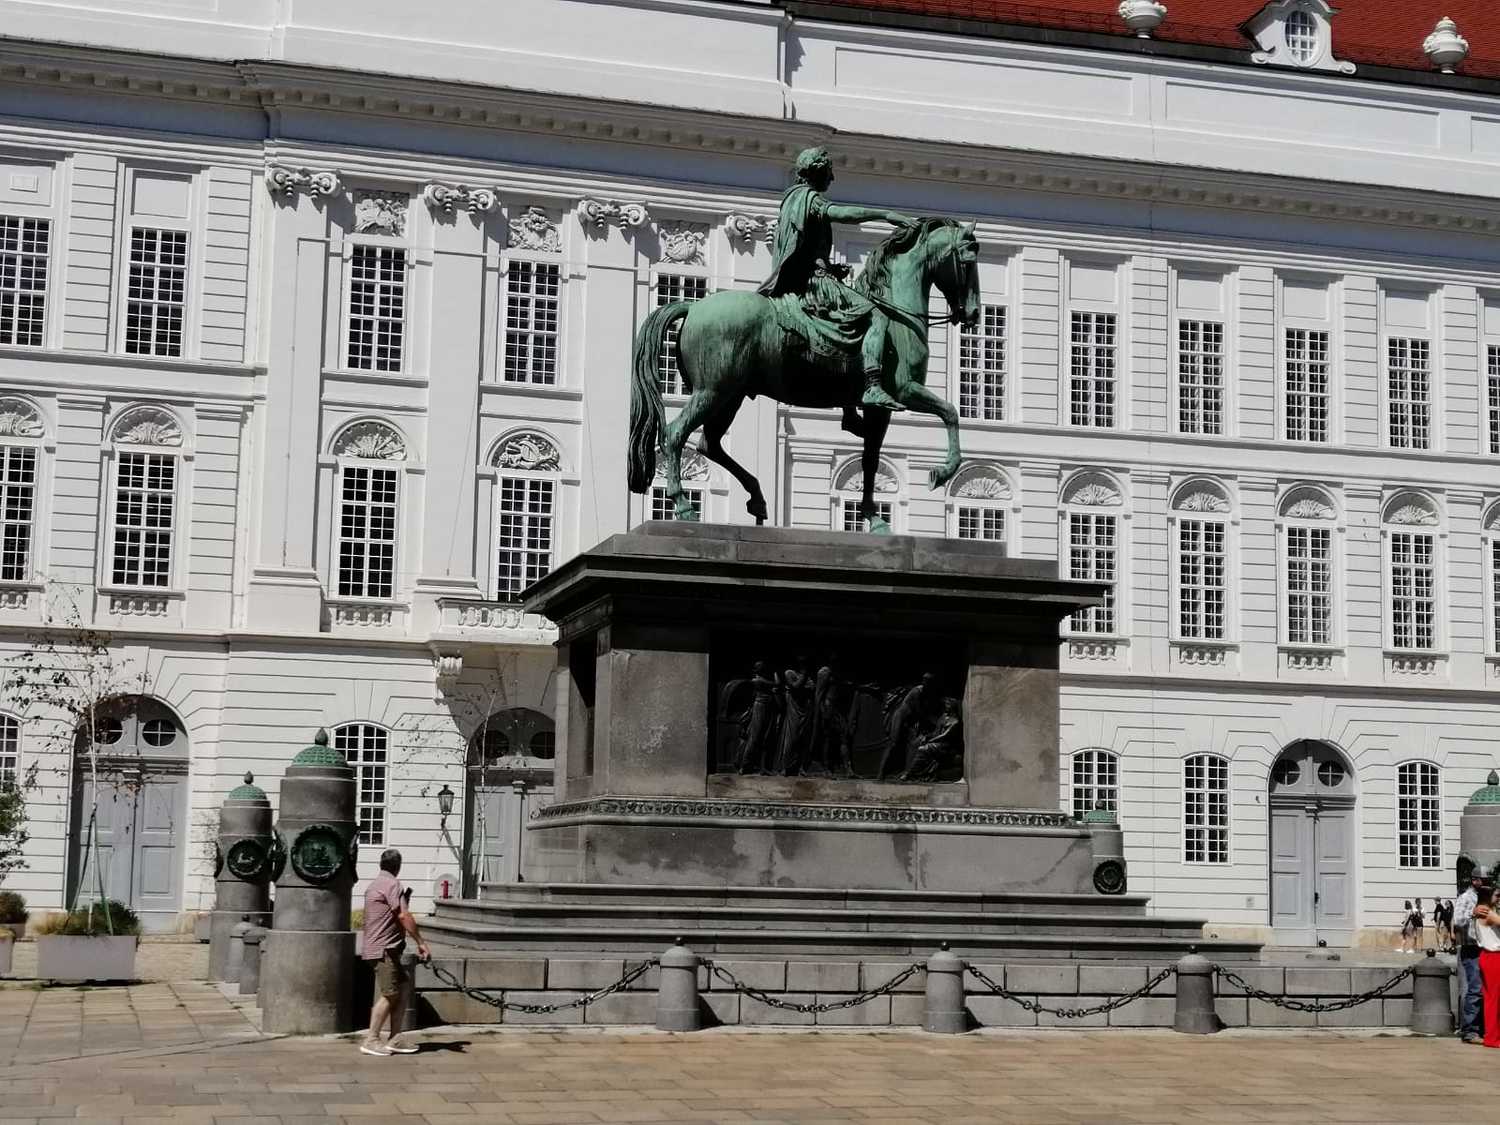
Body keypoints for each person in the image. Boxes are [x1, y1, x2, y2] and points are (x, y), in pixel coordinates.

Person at [759, 146, 918, 412]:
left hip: (814, 276)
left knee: (845, 326)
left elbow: (803, 250)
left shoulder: (792, 199)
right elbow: (843, 214)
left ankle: (848, 407)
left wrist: (831, 267)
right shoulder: (808, 198)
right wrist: (885, 215)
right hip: (816, 283)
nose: (832, 178)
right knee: (876, 316)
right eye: (829, 172)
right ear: (817, 172)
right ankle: (872, 386)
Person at [360, 848, 430, 1057]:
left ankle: (395, 1038)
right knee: (390, 994)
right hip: (384, 950)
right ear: (398, 867)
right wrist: (421, 942)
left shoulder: (376, 884)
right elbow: (403, 916)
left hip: (381, 948)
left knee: (403, 987)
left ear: (381, 865)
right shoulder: (392, 884)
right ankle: (371, 1039)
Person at [1456, 871, 1486, 1043]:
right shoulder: (1466, 898)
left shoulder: (1488, 897)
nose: (1486, 883)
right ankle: (1470, 1030)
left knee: (1486, 989)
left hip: (1487, 947)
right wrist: (1472, 912)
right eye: (1483, 879)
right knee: (1475, 989)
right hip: (1472, 948)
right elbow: (1458, 920)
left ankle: (1483, 1027)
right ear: (1474, 880)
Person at [1475, 886, 1500, 1048]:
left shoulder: (1483, 911)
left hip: (1489, 956)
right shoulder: (1487, 913)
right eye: (1496, 895)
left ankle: (1493, 1036)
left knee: (1492, 998)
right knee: (1493, 999)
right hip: (1493, 956)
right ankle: (1492, 1037)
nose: (1498, 898)